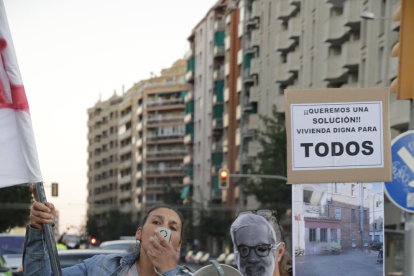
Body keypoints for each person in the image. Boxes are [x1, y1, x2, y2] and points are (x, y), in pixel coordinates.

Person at [23, 185, 194, 276]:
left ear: (178, 245)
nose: (163, 230)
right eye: (156, 222)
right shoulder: (100, 267)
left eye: (172, 227)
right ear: (139, 233)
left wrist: (168, 272)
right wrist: (40, 229)